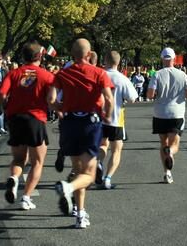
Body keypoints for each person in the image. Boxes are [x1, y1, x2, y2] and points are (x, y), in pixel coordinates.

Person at [51, 38, 114, 229]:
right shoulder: (99, 73)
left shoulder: (63, 73)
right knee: (90, 173)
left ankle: (80, 214)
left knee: (78, 171)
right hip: (90, 122)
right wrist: (107, 117)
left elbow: (50, 98)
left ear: (72, 55)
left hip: (69, 123)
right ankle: (68, 187)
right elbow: (109, 99)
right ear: (89, 54)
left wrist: (61, 108)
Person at [0, 42, 55, 210]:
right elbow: (51, 100)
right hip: (35, 119)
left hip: (16, 119)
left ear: (23, 56)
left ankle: (14, 178)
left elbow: (1, 93)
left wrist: (6, 107)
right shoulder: (46, 75)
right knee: (37, 162)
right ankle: (26, 197)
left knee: (18, 159)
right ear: (40, 56)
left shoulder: (13, 73)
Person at [147, 48, 187, 184]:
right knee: (174, 144)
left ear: (162, 59)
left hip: (160, 113)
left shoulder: (157, 74)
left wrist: (157, 95)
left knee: (163, 143)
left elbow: (150, 95)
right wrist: (182, 97)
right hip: (177, 113)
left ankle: (167, 173)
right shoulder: (182, 74)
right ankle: (171, 152)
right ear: (174, 59)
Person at [99, 50, 138, 189]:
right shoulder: (122, 79)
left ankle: (98, 163)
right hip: (116, 118)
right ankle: (107, 178)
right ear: (119, 62)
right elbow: (133, 98)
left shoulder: (99, 75)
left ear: (105, 60)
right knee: (116, 150)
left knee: (103, 144)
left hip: (99, 117)